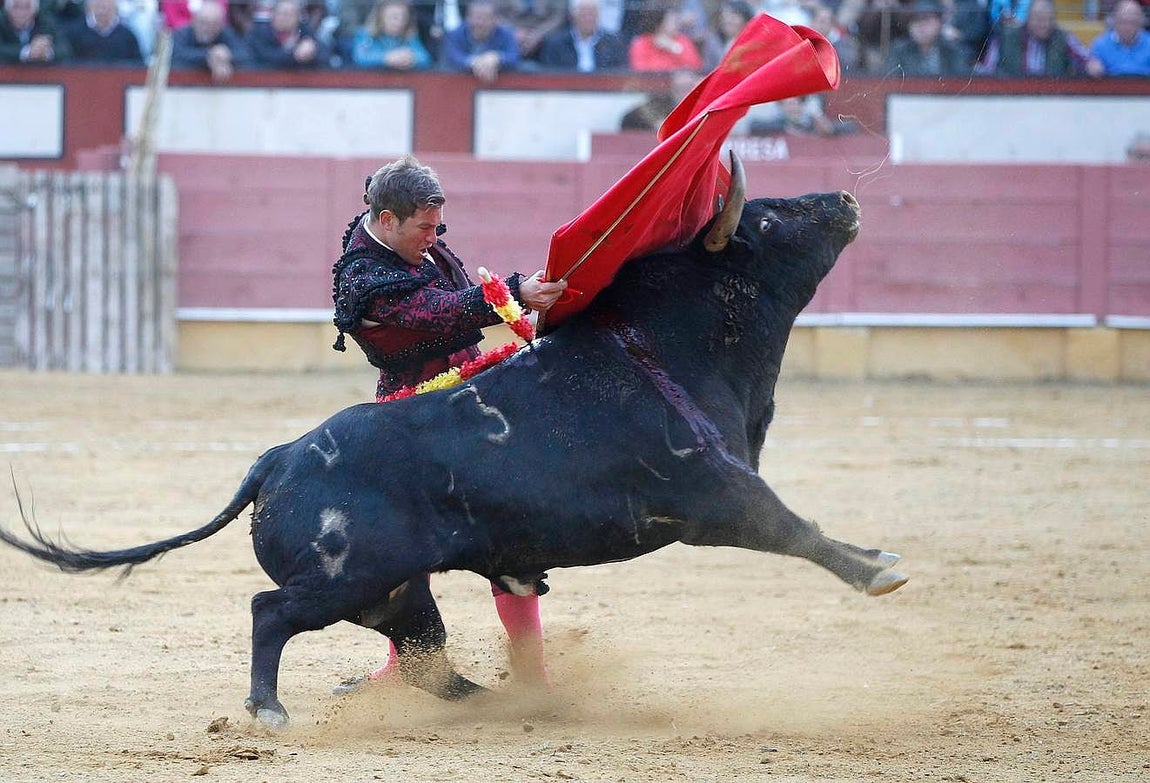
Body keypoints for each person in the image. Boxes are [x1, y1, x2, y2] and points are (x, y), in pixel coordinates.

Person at [330, 155, 567, 689]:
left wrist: (518, 302)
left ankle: (532, 673)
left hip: (469, 403)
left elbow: (454, 299)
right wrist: (509, 295)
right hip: (409, 420)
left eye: (438, 227)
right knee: (405, 545)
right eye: (424, 227)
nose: (434, 237)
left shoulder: (417, 243)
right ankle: (404, 666)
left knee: (513, 533)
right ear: (387, 220)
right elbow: (432, 312)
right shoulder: (362, 275)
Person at [977, 0, 1090, 76]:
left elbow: (1088, 61)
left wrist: (1092, 65)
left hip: (1052, 102)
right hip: (1012, 102)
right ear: (1028, 18)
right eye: (1038, 19)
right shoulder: (1005, 38)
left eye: (1048, 19)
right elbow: (987, 71)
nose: (1043, 24)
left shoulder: (1064, 38)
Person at [884, 0, 971, 75]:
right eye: (914, 20)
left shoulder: (953, 51)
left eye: (926, 19)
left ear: (939, 22)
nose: (920, 25)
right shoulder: (899, 51)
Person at [536, 0, 627, 71]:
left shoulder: (613, 44)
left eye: (592, 14)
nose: (588, 18)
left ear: (598, 16)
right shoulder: (555, 44)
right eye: (584, 14)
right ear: (573, 16)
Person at [171, 0, 251, 81]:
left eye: (212, 24)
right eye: (202, 22)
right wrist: (209, 56)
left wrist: (228, 55)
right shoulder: (181, 34)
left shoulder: (226, 33)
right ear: (193, 20)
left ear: (221, 25)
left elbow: (245, 55)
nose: (206, 28)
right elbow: (176, 56)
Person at [442, 0, 520, 82]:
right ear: (467, 17)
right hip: (458, 83)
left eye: (484, 19)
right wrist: (475, 62)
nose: (479, 23)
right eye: (475, 17)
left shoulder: (506, 33)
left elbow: (514, 56)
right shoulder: (455, 34)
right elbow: (452, 56)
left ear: (495, 20)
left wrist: (497, 58)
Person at [351, 0, 432, 70]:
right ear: (381, 17)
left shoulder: (409, 36)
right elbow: (360, 57)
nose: (400, 22)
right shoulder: (366, 34)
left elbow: (424, 58)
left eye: (404, 17)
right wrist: (387, 58)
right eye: (394, 17)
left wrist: (410, 59)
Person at [246, 0, 329, 68]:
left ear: (298, 17)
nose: (285, 18)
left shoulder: (304, 31)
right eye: (282, 13)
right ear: (273, 15)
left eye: (290, 14)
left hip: (300, 83)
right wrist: (294, 55)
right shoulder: (259, 32)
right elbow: (266, 59)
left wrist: (313, 51)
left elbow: (326, 53)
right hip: (266, 83)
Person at [627, 0, 703, 71]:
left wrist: (674, 48)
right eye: (672, 20)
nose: (676, 23)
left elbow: (696, 66)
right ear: (660, 22)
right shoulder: (642, 43)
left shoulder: (682, 40)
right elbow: (640, 70)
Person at [619, 67, 701, 130]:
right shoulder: (658, 105)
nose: (684, 93)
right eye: (679, 88)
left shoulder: (704, 107)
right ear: (672, 88)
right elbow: (630, 120)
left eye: (688, 88)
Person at [65, 0, 144, 62]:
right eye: (98, 6)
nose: (102, 11)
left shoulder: (127, 36)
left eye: (106, 6)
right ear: (88, 7)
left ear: (115, 8)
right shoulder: (74, 33)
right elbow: (67, 63)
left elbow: (137, 66)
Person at [1086, 0, 1150, 76]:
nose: (1128, 27)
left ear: (1141, 22)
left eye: (1132, 22)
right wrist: (1093, 69)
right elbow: (1092, 68)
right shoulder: (1100, 45)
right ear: (1114, 21)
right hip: (1111, 87)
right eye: (1123, 22)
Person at [1, 0, 73, 63]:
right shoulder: (1, 23)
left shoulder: (46, 23)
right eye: (16, 7)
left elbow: (65, 49)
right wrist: (27, 52)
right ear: (7, 10)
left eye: (27, 7)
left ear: (34, 11)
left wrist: (46, 52)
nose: (21, 12)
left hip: (42, 75)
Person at [494, 0, 566, 62]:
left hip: (545, 34)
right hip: (511, 32)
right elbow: (495, 13)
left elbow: (559, 16)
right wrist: (513, 31)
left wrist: (538, 33)